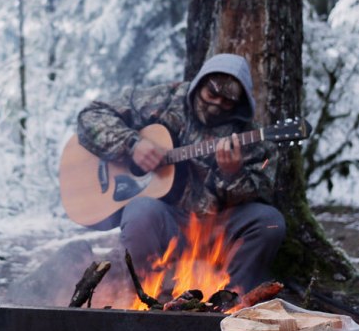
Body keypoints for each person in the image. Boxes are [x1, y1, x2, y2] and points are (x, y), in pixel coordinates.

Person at [76, 53, 286, 294]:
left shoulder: (252, 138)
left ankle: (231, 300)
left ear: (240, 101)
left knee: (269, 222)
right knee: (140, 210)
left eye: (227, 101)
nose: (216, 103)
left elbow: (262, 192)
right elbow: (91, 116)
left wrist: (232, 174)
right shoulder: (163, 100)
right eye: (211, 94)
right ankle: (139, 295)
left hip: (215, 228)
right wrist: (132, 144)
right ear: (199, 84)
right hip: (164, 220)